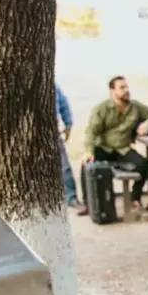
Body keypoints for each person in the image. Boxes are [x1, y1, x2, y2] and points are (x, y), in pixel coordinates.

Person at [82, 76, 148, 213]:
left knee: (144, 164)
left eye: (127, 87)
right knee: (87, 165)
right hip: (104, 148)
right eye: (122, 88)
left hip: (123, 149)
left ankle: (135, 198)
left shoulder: (135, 107)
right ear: (112, 91)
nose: (126, 90)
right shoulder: (102, 108)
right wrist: (89, 151)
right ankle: (89, 204)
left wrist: (147, 123)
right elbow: (91, 132)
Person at [55, 82, 87, 215]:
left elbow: (63, 102)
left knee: (64, 166)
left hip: (51, 129)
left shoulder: (50, 83)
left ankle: (71, 198)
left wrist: (68, 124)